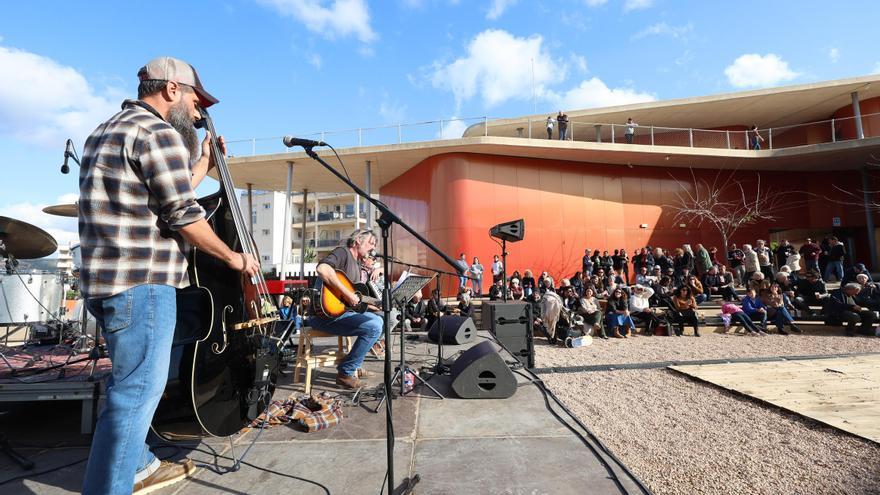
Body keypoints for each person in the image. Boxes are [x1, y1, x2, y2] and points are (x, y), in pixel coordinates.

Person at [78, 57, 258, 494]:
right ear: (173, 90)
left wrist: (201, 166)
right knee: (134, 397)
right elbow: (183, 215)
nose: (198, 114)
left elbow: (161, 194)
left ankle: (137, 464)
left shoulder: (105, 130)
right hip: (143, 284)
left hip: (105, 284)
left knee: (127, 388)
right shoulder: (158, 132)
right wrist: (235, 259)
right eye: (197, 101)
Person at [310, 229, 384, 390]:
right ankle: (345, 372)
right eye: (371, 244)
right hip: (323, 316)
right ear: (358, 240)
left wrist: (378, 305)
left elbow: (354, 301)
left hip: (341, 313)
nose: (373, 249)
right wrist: (348, 294)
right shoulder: (342, 253)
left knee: (380, 318)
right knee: (374, 326)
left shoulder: (357, 265)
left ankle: (354, 364)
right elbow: (323, 269)